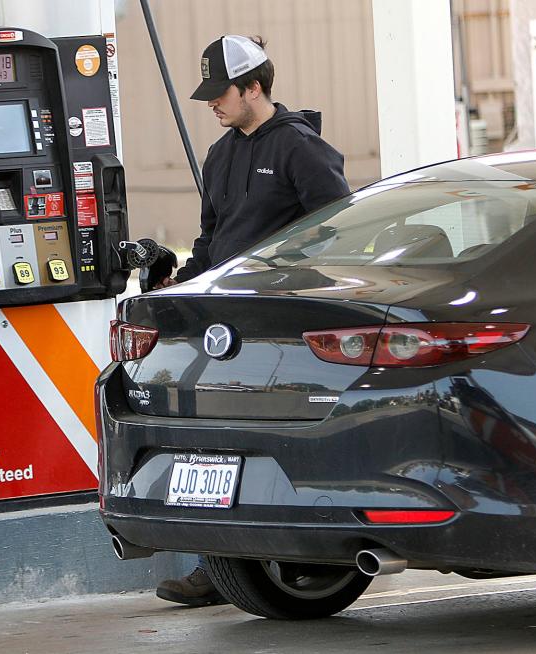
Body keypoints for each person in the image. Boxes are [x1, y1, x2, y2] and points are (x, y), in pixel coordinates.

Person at [153, 34, 350, 607]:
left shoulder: (301, 149)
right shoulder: (221, 154)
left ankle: (259, 563)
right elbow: (212, 238)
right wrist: (186, 282)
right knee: (215, 446)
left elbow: (336, 234)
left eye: (222, 93)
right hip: (224, 323)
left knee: (259, 446)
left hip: (281, 327)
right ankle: (222, 567)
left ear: (255, 88)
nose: (212, 104)